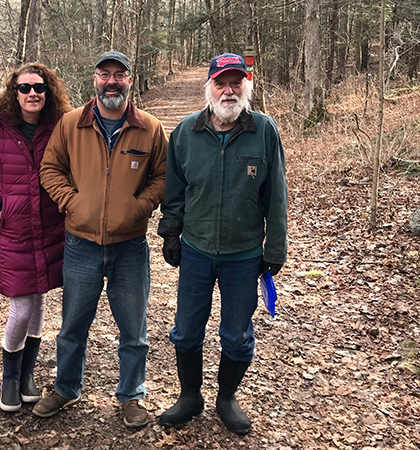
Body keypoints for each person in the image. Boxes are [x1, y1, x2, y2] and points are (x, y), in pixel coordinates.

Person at [33, 51, 168, 428]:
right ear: (94, 80)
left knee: (134, 329)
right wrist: (72, 203)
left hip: (130, 247)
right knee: (73, 325)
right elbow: (50, 168)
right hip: (81, 243)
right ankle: (66, 387)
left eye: (119, 75)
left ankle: (131, 396)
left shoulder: (150, 128)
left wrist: (139, 206)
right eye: (104, 74)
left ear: (130, 81)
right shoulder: (70, 124)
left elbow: (162, 176)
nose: (111, 81)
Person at [157, 53, 288, 435]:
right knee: (186, 329)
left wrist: (274, 249)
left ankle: (227, 397)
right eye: (221, 82)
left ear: (246, 86)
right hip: (196, 250)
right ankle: (190, 396)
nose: (228, 90)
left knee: (236, 333)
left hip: (244, 255)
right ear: (209, 87)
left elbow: (275, 195)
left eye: (236, 82)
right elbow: (175, 191)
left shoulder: (264, 131)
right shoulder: (185, 132)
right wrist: (170, 231)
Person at [0, 63, 72, 412]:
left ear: (48, 91)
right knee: (22, 305)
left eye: (39, 87)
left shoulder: (60, 127)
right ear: (14, 92)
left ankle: (27, 374)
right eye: (24, 88)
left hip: (51, 229)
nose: (32, 94)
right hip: (13, 231)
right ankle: (9, 378)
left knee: (39, 302)